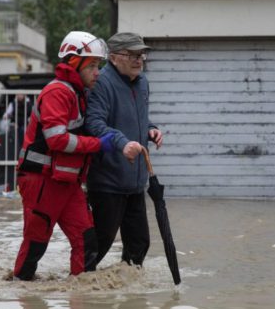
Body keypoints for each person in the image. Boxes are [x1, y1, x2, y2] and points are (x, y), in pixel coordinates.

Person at [12, 31, 139, 280]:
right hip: (42, 181)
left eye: (98, 66)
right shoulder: (58, 93)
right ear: (74, 63)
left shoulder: (77, 92)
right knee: (36, 245)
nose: (97, 72)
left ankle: (81, 303)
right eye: (92, 65)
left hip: (66, 183)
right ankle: (23, 300)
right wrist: (99, 144)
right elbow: (56, 139)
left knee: (87, 242)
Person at [85, 32, 164, 267]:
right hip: (108, 182)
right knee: (100, 244)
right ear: (114, 57)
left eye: (141, 54)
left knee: (139, 244)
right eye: (131, 55)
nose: (138, 60)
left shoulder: (142, 83)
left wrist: (151, 129)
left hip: (136, 182)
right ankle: (78, 292)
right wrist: (122, 143)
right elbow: (94, 124)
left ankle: (128, 296)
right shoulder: (101, 82)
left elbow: (138, 119)